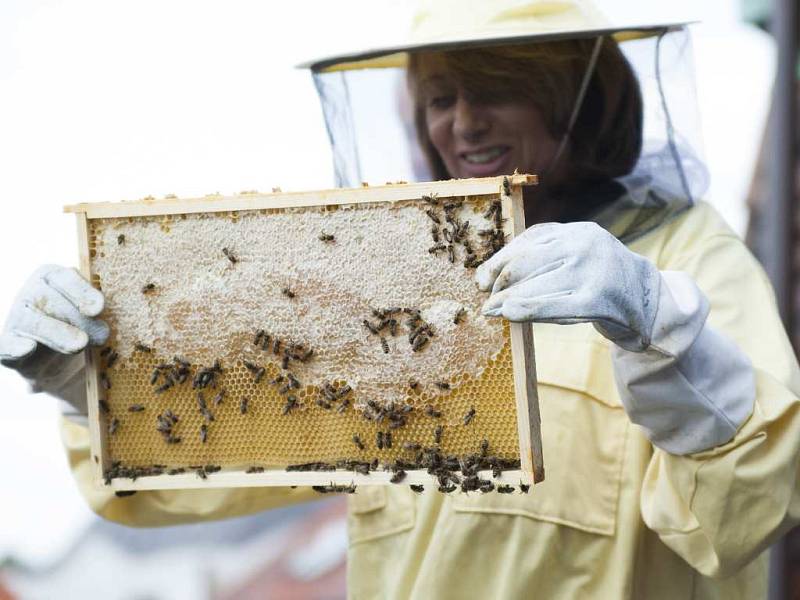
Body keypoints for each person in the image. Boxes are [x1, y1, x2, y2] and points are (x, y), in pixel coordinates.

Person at [3, 1, 800, 597]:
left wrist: (661, 332)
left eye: (496, 91)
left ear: (581, 101)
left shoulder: (691, 255)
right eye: (440, 98)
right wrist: (95, 388)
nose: (462, 122)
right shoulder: (399, 287)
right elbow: (226, 460)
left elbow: (754, 503)